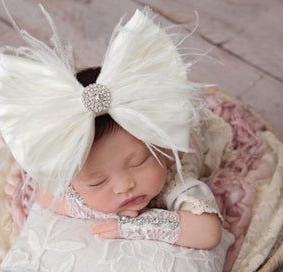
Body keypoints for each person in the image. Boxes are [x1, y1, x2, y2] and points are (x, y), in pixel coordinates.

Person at [34, 68, 223, 250]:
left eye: (139, 161)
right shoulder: (71, 179)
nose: (124, 187)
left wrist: (131, 224)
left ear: (160, 145)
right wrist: (102, 211)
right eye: (97, 182)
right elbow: (44, 195)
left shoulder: (174, 177)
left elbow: (207, 232)